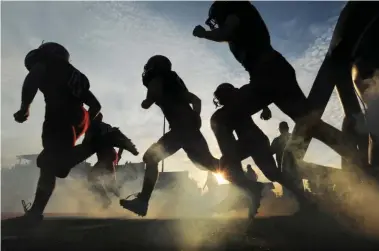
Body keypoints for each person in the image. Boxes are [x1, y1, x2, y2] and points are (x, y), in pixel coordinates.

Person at [193, 1, 360, 186]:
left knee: (221, 119)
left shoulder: (235, 11)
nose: (216, 24)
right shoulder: (242, 15)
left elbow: (226, 32)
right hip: (274, 72)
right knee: (309, 123)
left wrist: (204, 34)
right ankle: (358, 158)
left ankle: (236, 175)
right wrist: (264, 104)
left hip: (267, 74)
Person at [13, 42, 138, 225]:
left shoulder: (47, 63)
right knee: (58, 166)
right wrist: (83, 125)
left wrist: (25, 107)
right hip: (80, 116)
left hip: (58, 113)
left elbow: (33, 77)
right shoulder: (75, 75)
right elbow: (95, 105)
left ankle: (35, 213)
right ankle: (100, 141)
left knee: (49, 163)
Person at [120, 55, 220, 217]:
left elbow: (151, 96)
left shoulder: (158, 79)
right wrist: (196, 117)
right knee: (208, 163)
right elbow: (196, 100)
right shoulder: (175, 83)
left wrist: (148, 100)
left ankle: (143, 201)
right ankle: (244, 180)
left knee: (151, 158)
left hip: (181, 129)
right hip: (190, 129)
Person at [212, 83, 313, 213]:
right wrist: (265, 108)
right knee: (272, 174)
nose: (220, 100)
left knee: (270, 173)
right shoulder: (237, 102)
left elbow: (258, 91)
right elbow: (258, 93)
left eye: (221, 96)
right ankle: (302, 198)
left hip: (253, 140)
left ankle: (252, 190)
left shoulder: (236, 103)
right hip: (253, 140)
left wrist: (265, 108)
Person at [83, 113, 126, 208]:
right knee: (111, 185)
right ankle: (124, 199)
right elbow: (122, 142)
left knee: (92, 178)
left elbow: (85, 145)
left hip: (105, 156)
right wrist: (118, 156)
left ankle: (107, 199)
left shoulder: (92, 127)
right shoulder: (107, 127)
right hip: (111, 155)